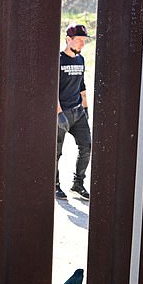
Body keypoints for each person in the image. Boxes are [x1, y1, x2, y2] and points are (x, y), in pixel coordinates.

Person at [55, 24, 92, 201]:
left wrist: (85, 108)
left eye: (84, 41)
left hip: (78, 113)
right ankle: (53, 185)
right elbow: (51, 89)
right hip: (61, 113)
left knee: (87, 146)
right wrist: (58, 113)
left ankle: (78, 184)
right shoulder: (58, 60)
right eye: (79, 40)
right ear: (68, 39)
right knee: (56, 152)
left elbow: (81, 85)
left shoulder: (81, 60)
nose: (82, 44)